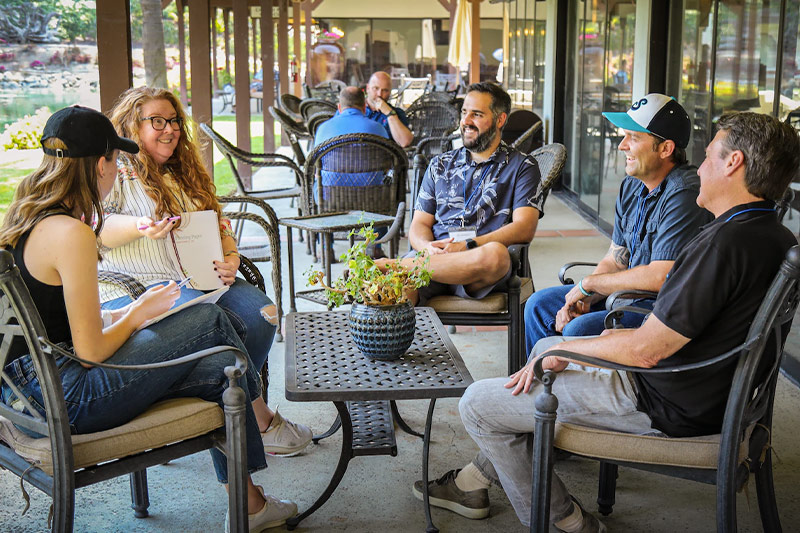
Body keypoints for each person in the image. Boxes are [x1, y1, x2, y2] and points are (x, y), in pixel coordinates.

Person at [455, 111, 800, 531]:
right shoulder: (768, 233)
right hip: (694, 387)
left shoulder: (724, 245)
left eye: (710, 156)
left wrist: (568, 350)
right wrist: (567, 344)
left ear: (734, 163)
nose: (702, 166)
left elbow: (646, 351)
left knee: (478, 404)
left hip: (662, 402)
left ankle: (566, 521)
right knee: (545, 350)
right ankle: (474, 478)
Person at [0, 106, 298, 530]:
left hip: (26, 388)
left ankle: (251, 506)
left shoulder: (27, 217)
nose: (117, 168)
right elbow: (90, 353)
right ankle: (264, 425)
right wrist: (139, 313)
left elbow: (61, 325)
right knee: (211, 320)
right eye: (116, 160)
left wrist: (128, 313)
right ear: (100, 164)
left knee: (220, 370)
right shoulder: (72, 234)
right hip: (67, 396)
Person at [100, 87, 312, 457]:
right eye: (157, 121)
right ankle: (254, 420)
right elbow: (96, 226)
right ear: (133, 125)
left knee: (263, 314)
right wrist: (140, 225)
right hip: (142, 288)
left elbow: (219, 222)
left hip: (200, 277)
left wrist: (230, 257)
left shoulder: (184, 171)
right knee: (217, 330)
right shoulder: (117, 169)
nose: (170, 130)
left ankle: (241, 413)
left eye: (174, 121)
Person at [523, 93, 712, 357]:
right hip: (625, 295)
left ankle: (573, 387)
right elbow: (616, 257)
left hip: (659, 310)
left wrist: (590, 284)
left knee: (577, 329)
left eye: (634, 138)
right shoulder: (632, 185)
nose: (622, 145)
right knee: (538, 305)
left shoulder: (685, 194)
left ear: (666, 149)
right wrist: (587, 295)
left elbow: (661, 276)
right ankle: (544, 386)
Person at [379, 82, 541, 305]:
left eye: (476, 114)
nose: (466, 122)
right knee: (395, 292)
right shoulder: (440, 165)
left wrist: (468, 245)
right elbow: (419, 225)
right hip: (434, 262)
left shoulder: (522, 166)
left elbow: (525, 228)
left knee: (497, 255)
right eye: (464, 113)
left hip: (479, 270)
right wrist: (427, 248)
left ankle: (392, 264)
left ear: (500, 120)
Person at [315, 86, 391, 259]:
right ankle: (375, 245)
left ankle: (326, 247)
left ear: (339, 108)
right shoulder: (378, 128)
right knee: (384, 184)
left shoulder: (324, 129)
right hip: (372, 198)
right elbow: (388, 165)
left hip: (330, 197)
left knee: (317, 184)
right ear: (364, 106)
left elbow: (313, 166)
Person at [365, 71, 414, 147]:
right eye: (375, 88)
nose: (379, 94)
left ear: (390, 92)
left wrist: (389, 113)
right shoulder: (356, 111)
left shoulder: (396, 113)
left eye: (385, 90)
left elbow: (404, 142)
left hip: (386, 157)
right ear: (368, 88)